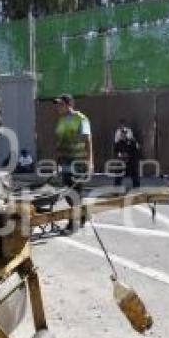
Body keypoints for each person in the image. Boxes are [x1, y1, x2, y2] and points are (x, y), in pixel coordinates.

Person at [54, 94, 93, 233]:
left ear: (69, 104)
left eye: (60, 104)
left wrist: (90, 162)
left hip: (78, 162)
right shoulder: (61, 120)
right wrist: (56, 161)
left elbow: (87, 140)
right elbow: (60, 142)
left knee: (73, 193)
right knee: (69, 193)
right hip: (65, 161)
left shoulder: (81, 119)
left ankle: (73, 224)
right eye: (57, 104)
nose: (57, 107)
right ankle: (83, 215)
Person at [113, 118, 140, 190]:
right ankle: (116, 190)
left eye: (124, 133)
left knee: (135, 175)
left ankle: (137, 190)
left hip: (131, 162)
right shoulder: (119, 142)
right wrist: (121, 155)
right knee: (118, 175)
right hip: (122, 162)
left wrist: (130, 157)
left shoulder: (132, 141)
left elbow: (136, 149)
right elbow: (116, 150)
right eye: (122, 134)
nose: (123, 135)